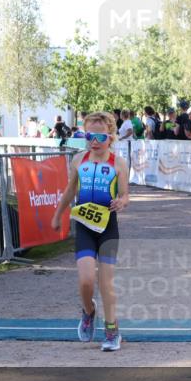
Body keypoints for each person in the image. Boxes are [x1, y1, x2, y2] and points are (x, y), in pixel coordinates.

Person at [51, 112, 130, 352]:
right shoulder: (78, 160)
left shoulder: (118, 163)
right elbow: (69, 190)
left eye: (99, 136)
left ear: (110, 137)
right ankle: (88, 312)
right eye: (89, 136)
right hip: (84, 226)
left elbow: (125, 194)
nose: (94, 141)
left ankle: (111, 331)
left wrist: (122, 202)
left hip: (108, 228)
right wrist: (57, 215)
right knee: (86, 281)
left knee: (106, 284)